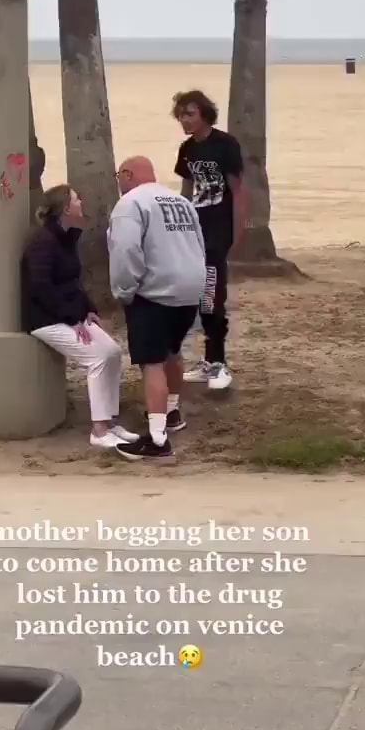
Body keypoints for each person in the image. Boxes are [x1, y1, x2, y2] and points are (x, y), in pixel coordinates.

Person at [20, 184, 140, 451]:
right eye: (76, 198)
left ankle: (109, 422)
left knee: (112, 352)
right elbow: (41, 288)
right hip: (44, 319)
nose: (81, 201)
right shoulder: (42, 242)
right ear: (65, 207)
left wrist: (89, 310)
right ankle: (98, 430)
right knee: (97, 358)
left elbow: (74, 283)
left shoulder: (68, 238)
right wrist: (70, 317)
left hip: (69, 315)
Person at [107, 156, 206, 461]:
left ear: (127, 174)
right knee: (172, 353)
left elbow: (125, 249)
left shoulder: (130, 203)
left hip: (155, 292)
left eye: (118, 177)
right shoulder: (182, 202)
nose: (118, 183)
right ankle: (172, 412)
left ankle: (157, 438)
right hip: (189, 290)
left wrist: (124, 290)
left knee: (151, 363)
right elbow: (199, 243)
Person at [172, 89, 246, 390]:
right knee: (196, 295)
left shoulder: (225, 145)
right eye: (180, 115)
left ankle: (218, 363)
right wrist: (178, 227)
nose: (184, 120)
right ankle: (207, 362)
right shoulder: (187, 149)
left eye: (189, 113)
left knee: (213, 296)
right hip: (195, 232)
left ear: (204, 114)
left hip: (219, 231)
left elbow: (238, 191)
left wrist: (238, 231)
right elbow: (186, 192)